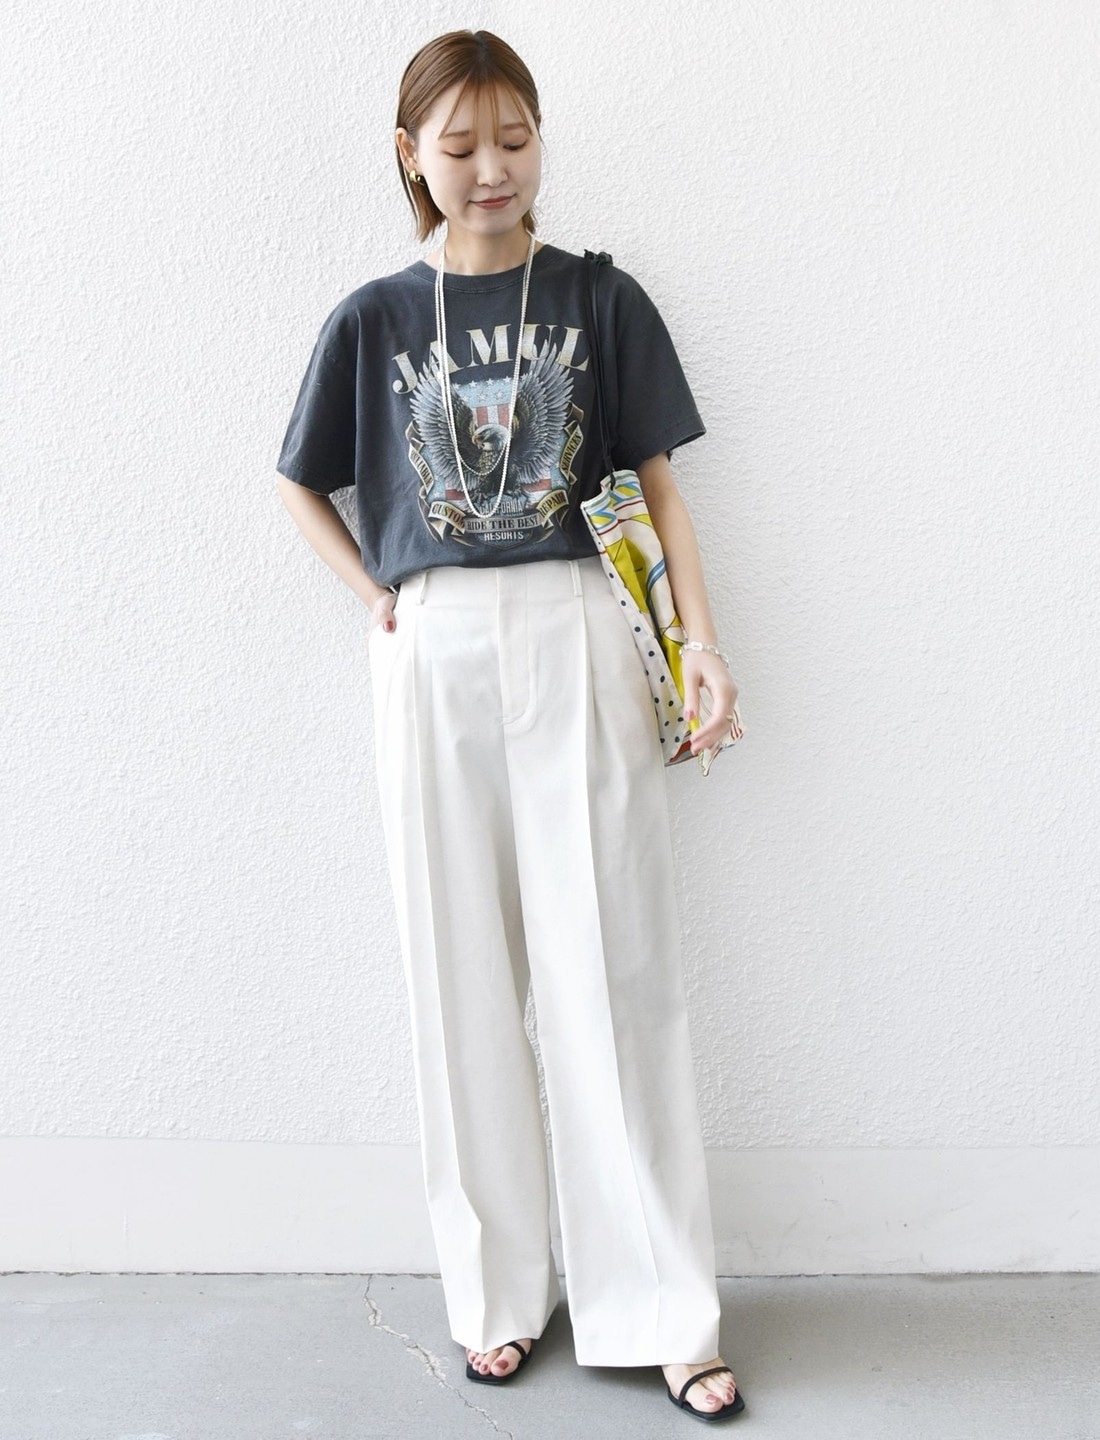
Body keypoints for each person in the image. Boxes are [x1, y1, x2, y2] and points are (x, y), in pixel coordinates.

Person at [275, 29, 744, 1424]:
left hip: (579, 622)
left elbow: (657, 488)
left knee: (618, 974)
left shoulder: (599, 298)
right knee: (458, 972)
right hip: (432, 647)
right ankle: (498, 1296)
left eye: (517, 138)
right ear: (410, 156)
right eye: (463, 144)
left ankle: (664, 1310)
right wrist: (376, 595)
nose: (494, 168)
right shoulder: (373, 319)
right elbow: (299, 480)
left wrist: (701, 644)